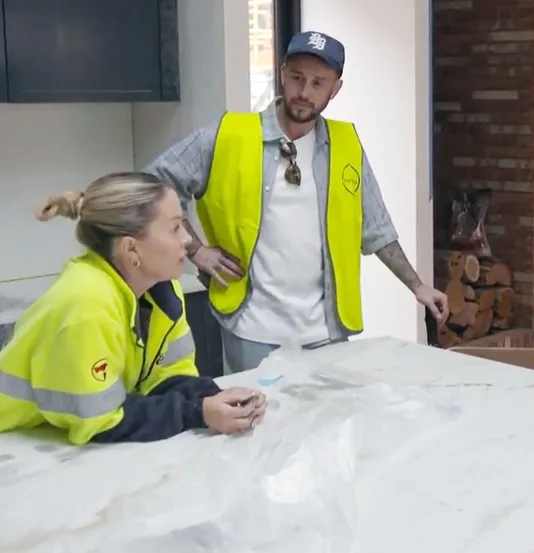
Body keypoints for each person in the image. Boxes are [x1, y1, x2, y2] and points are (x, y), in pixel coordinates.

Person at [146, 30, 448, 374]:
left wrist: (418, 285)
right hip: (252, 330)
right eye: (297, 78)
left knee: (324, 425)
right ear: (282, 72)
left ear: (335, 89)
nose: (304, 93)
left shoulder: (346, 146)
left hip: (325, 333)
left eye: (319, 83)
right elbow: (154, 184)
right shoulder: (228, 135)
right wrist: (195, 250)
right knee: (259, 426)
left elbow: (376, 227)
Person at [0, 173, 267, 446]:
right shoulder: (86, 304)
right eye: (175, 228)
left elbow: (167, 376)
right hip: (12, 445)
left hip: (41, 439)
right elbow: (101, 421)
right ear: (131, 248)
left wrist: (211, 398)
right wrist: (198, 413)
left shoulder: (163, 290)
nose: (187, 239)